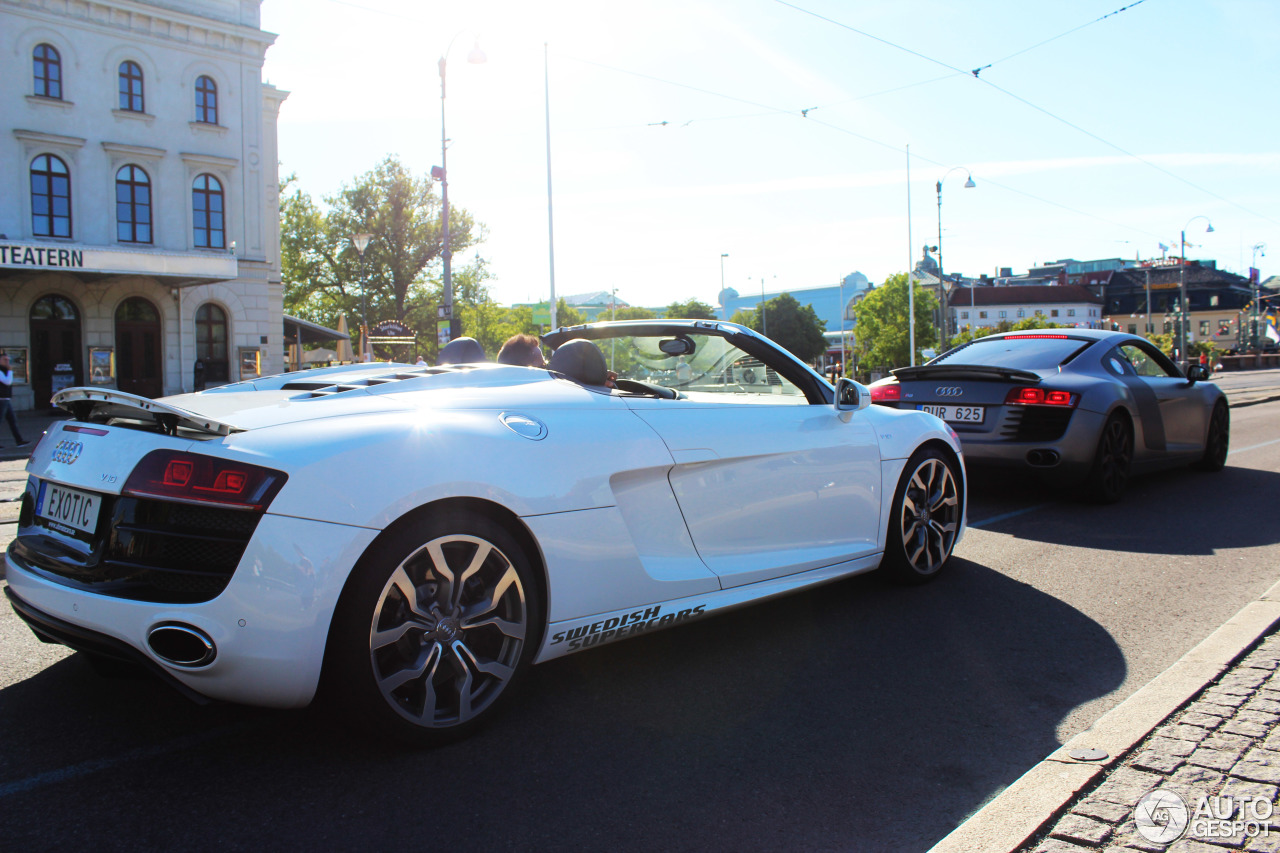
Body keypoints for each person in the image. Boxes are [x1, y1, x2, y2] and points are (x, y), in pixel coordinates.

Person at [0, 354, 28, 447]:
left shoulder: (5, 370)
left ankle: (19, 440)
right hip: (1, 399)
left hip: (6, 399)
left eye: (8, 359)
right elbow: (7, 382)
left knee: (13, 421)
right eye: (5, 359)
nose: (7, 361)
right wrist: (10, 370)